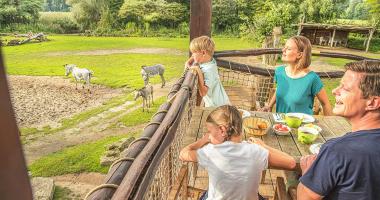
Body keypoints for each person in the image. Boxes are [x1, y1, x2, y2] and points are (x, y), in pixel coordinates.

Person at [297, 60, 380, 200]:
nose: (335, 91)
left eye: (345, 89)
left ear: (372, 103)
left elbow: (304, 197)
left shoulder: (338, 150)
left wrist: (307, 173)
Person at [179, 105, 296, 200]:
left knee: (210, 192)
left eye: (210, 131)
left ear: (222, 130)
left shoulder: (210, 152)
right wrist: (263, 146)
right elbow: (291, 163)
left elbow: (183, 154)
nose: (209, 135)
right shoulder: (256, 151)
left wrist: (203, 140)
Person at [260, 36, 332, 115]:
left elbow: (325, 103)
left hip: (303, 126)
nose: (283, 50)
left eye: (288, 49)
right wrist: (270, 106)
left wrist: (328, 123)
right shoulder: (279, 71)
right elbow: (279, 89)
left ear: (299, 55)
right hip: (281, 125)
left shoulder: (312, 78)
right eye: (284, 47)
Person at [185, 36, 230, 107]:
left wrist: (198, 71)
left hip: (217, 107)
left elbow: (203, 93)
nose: (192, 55)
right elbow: (198, 56)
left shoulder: (208, 70)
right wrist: (188, 61)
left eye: (194, 52)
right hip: (221, 102)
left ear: (203, 53)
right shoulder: (211, 61)